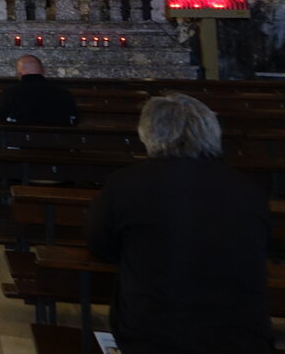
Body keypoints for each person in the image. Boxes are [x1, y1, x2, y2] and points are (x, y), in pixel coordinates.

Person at [88, 93, 272, 354]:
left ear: (148, 133)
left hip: (153, 335)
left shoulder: (125, 183)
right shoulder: (248, 188)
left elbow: (101, 245)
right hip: (242, 337)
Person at [0, 54, 78, 125]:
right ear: (43, 71)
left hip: (19, 140)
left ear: (19, 74)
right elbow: (74, 119)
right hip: (57, 142)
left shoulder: (10, 92)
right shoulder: (63, 93)